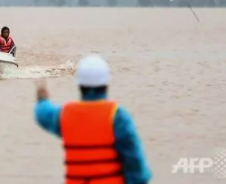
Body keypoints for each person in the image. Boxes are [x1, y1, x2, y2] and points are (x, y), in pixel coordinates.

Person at [34, 54, 152, 184]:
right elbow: (134, 162)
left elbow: (43, 114)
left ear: (79, 84)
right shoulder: (117, 116)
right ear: (107, 83)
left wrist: (42, 99)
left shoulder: (66, 114)